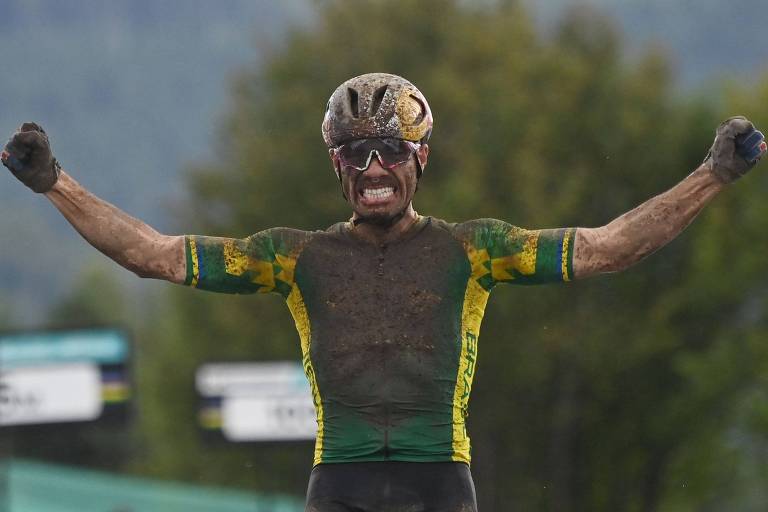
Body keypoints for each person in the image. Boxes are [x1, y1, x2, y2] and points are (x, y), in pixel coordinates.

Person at [2, 73, 766, 512]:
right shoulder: (289, 259)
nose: (374, 167)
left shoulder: (477, 249)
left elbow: (606, 250)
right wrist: (51, 182)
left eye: (390, 150)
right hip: (340, 484)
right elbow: (157, 256)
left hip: (444, 485)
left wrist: (715, 174)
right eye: (356, 152)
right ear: (337, 166)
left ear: (419, 158)